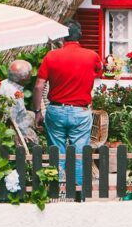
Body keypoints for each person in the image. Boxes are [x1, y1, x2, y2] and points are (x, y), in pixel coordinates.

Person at [32, 20, 102, 187]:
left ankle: (58, 190)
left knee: (57, 151)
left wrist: (37, 112)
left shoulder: (51, 56)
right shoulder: (92, 56)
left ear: (62, 38)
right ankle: (78, 193)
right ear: (80, 36)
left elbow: (38, 86)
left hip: (56, 109)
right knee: (79, 154)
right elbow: (100, 71)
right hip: (81, 111)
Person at [0, 60, 37, 145]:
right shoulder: (14, 95)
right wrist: (24, 137)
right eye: (30, 73)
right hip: (19, 135)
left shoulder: (3, 83)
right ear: (24, 78)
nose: (31, 74)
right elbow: (11, 121)